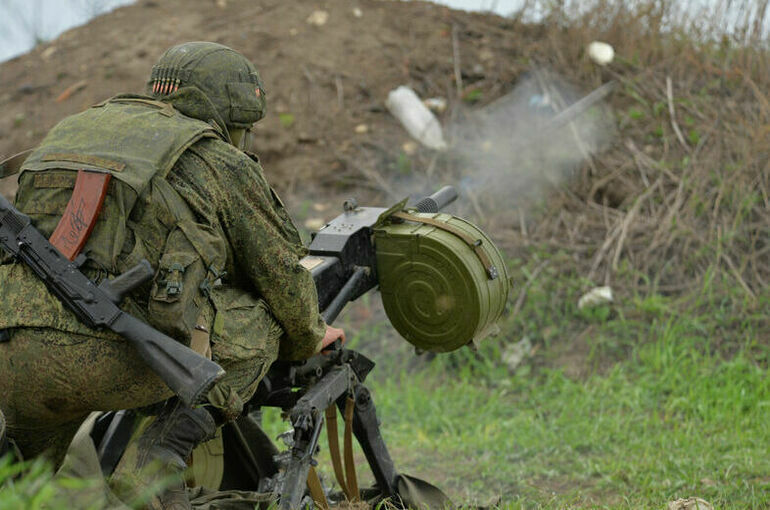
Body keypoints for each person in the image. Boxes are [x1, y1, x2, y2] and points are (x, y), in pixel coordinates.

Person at [0, 41, 344, 509]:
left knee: (21, 475)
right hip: (106, 354)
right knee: (263, 322)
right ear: (226, 115)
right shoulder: (214, 157)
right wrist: (310, 336)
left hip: (12, 354)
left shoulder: (73, 130)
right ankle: (155, 459)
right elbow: (281, 276)